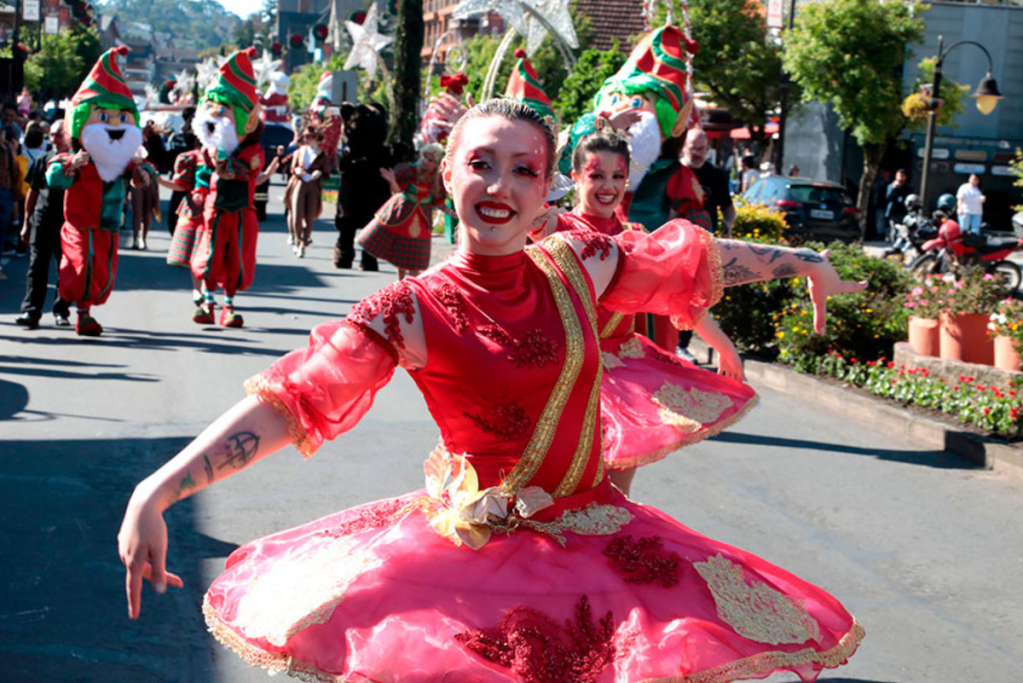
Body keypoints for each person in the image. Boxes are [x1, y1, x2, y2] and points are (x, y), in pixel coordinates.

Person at [119, 99, 866, 683]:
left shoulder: (580, 262)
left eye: (522, 170)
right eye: (480, 164)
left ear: (546, 188)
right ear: (447, 175)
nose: (498, 186)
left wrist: (802, 259)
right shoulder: (407, 309)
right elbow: (292, 399)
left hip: (598, 546)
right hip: (466, 560)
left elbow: (687, 263)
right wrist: (156, 490)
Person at [535, 127, 755, 496]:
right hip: (563, 374)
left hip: (624, 380)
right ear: (574, 177)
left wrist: (725, 346)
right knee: (558, 497)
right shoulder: (552, 227)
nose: (609, 186)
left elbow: (682, 296)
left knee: (614, 500)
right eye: (596, 175)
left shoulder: (636, 236)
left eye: (618, 176)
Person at [49, 46, 147, 337]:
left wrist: (142, 176)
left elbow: (140, 178)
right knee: (80, 268)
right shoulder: (74, 156)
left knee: (102, 275)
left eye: (121, 118)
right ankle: (82, 311)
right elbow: (54, 177)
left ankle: (83, 306)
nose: (115, 126)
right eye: (104, 117)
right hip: (80, 222)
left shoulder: (121, 159)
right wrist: (70, 166)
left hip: (108, 223)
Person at [189, 47, 265, 328]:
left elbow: (249, 170)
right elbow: (203, 170)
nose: (214, 117)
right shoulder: (209, 149)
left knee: (237, 258)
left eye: (223, 111)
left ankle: (229, 306)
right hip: (215, 210)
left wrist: (229, 169)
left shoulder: (252, 150)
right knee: (211, 255)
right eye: (210, 109)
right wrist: (199, 188)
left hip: (241, 211)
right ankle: (208, 303)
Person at [356, 143, 450, 280]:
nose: (425, 161)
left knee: (416, 257)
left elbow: (438, 202)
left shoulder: (437, 180)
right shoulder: (409, 170)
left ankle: (411, 287)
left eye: (430, 160)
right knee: (402, 254)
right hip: (403, 215)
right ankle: (400, 283)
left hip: (422, 219)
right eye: (425, 157)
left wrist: (454, 214)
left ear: (436, 164)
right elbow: (398, 191)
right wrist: (392, 180)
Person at [15, 119, 72, 329]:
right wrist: (26, 222)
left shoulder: (75, 162)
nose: (54, 140)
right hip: (42, 219)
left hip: (67, 223)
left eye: (59, 135)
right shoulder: (43, 160)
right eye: (52, 136)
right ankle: (31, 311)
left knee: (65, 268)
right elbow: (33, 192)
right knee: (36, 266)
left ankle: (61, 310)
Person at [333, 102, 391, 271]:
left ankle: (345, 256)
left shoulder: (351, 151)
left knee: (347, 224)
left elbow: (343, 167)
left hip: (354, 190)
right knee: (371, 224)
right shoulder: (380, 151)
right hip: (374, 190)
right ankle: (368, 258)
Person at [283, 124, 330, 257]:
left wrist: (319, 172)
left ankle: (304, 243)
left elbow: (327, 172)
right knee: (297, 214)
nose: (307, 139)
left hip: (313, 185)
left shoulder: (321, 155)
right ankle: (297, 239)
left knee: (309, 216)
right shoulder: (299, 151)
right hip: (299, 183)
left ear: (317, 138)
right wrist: (296, 170)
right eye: (305, 137)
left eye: (310, 137)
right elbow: (292, 167)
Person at [883, 168, 912, 240]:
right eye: (898, 176)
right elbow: (888, 197)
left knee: (904, 229)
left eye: (902, 176)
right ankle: (894, 243)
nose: (900, 178)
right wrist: (894, 188)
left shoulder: (908, 188)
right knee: (894, 228)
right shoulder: (891, 186)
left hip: (904, 211)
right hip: (893, 211)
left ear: (905, 177)